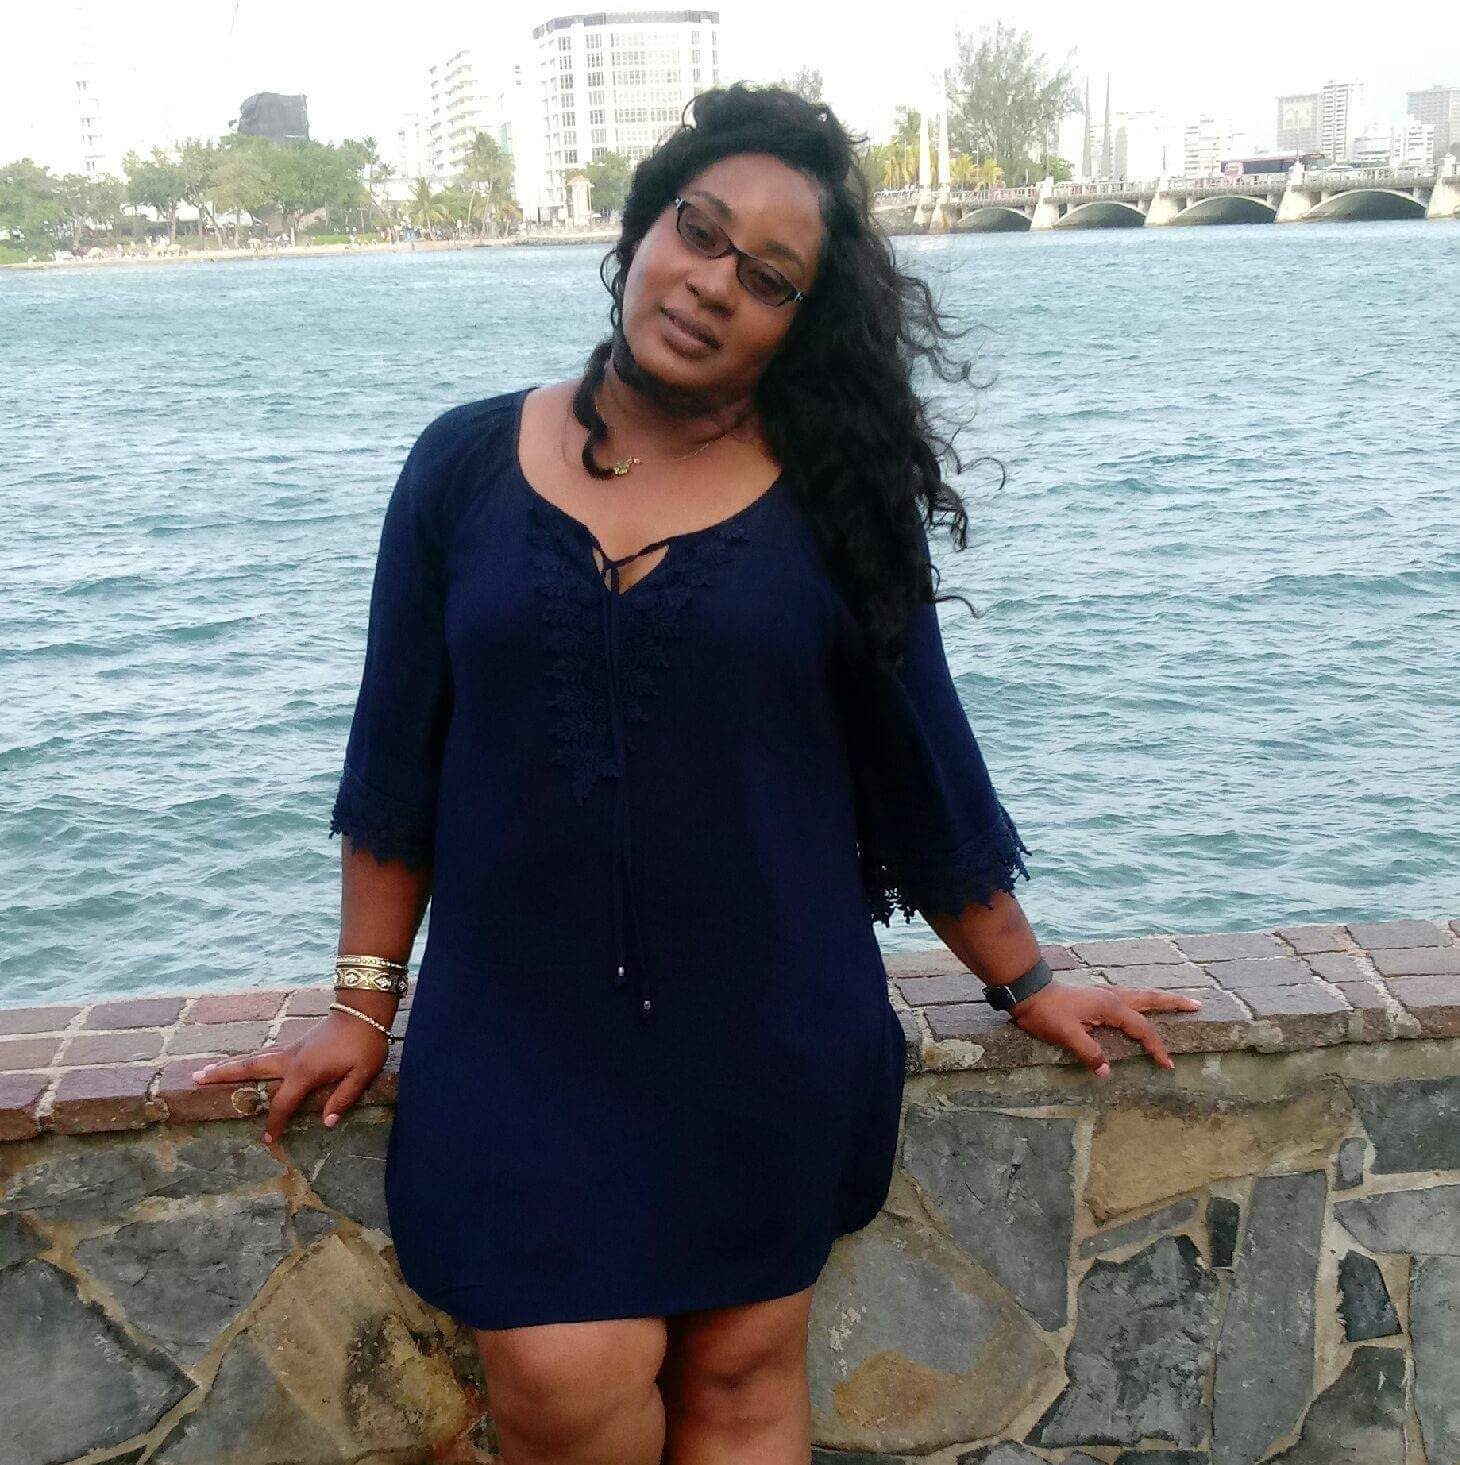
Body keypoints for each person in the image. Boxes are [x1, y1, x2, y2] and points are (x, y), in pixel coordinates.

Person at [191, 82, 1200, 1465]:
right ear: (642, 228)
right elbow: (395, 761)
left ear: (799, 323)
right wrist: (363, 1007)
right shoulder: (460, 467)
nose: (714, 282)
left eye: (768, 277)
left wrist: (1028, 983)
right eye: (700, 230)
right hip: (514, 1032)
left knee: (738, 1376)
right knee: (563, 1380)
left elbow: (923, 772)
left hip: (767, 1022)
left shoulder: (836, 501)